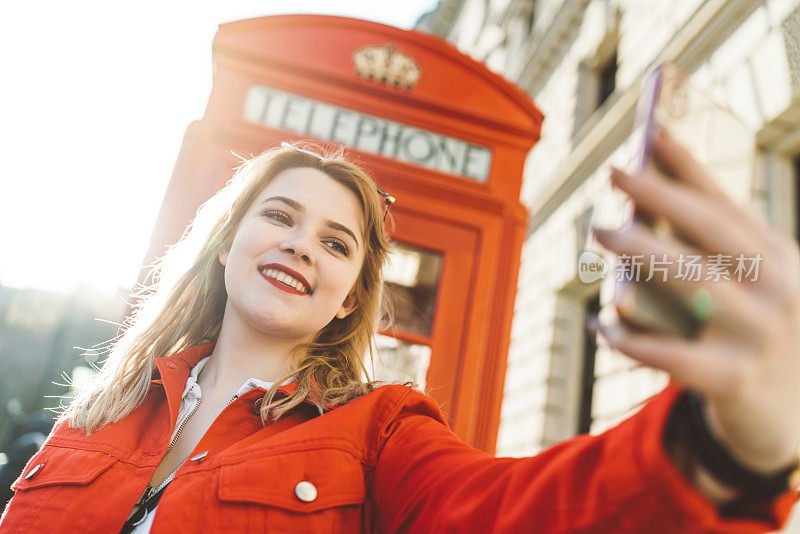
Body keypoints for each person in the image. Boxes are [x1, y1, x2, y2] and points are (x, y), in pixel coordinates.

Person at [1, 131, 798, 533]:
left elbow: (503, 514)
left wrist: (719, 450)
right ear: (227, 244)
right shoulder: (105, 407)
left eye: (336, 242)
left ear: (351, 297)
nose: (299, 245)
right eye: (278, 216)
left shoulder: (379, 431)